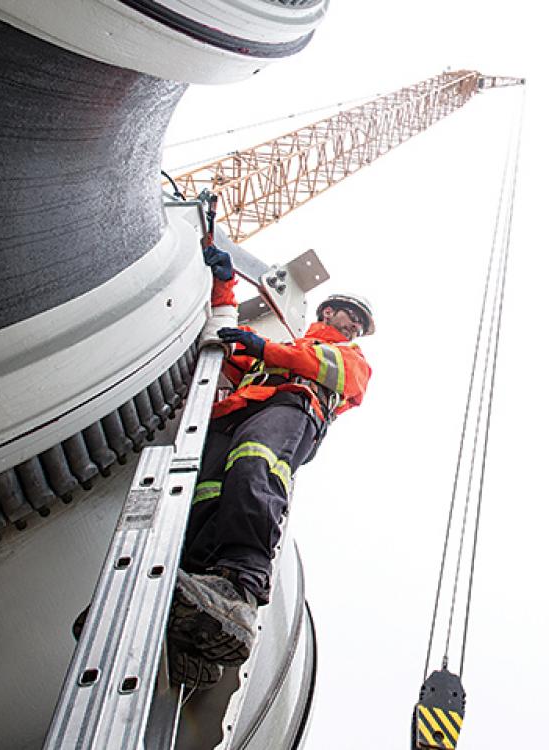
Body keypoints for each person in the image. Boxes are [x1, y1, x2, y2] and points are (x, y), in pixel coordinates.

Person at [166, 245, 374, 687]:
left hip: (293, 408)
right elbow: (226, 333)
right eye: (350, 316)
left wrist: (264, 349)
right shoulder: (285, 347)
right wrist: (223, 280)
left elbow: (321, 368)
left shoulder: (349, 358)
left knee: (254, 467)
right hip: (242, 410)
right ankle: (197, 592)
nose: (355, 326)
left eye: (359, 324)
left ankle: (240, 585)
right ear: (330, 310)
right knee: (207, 490)